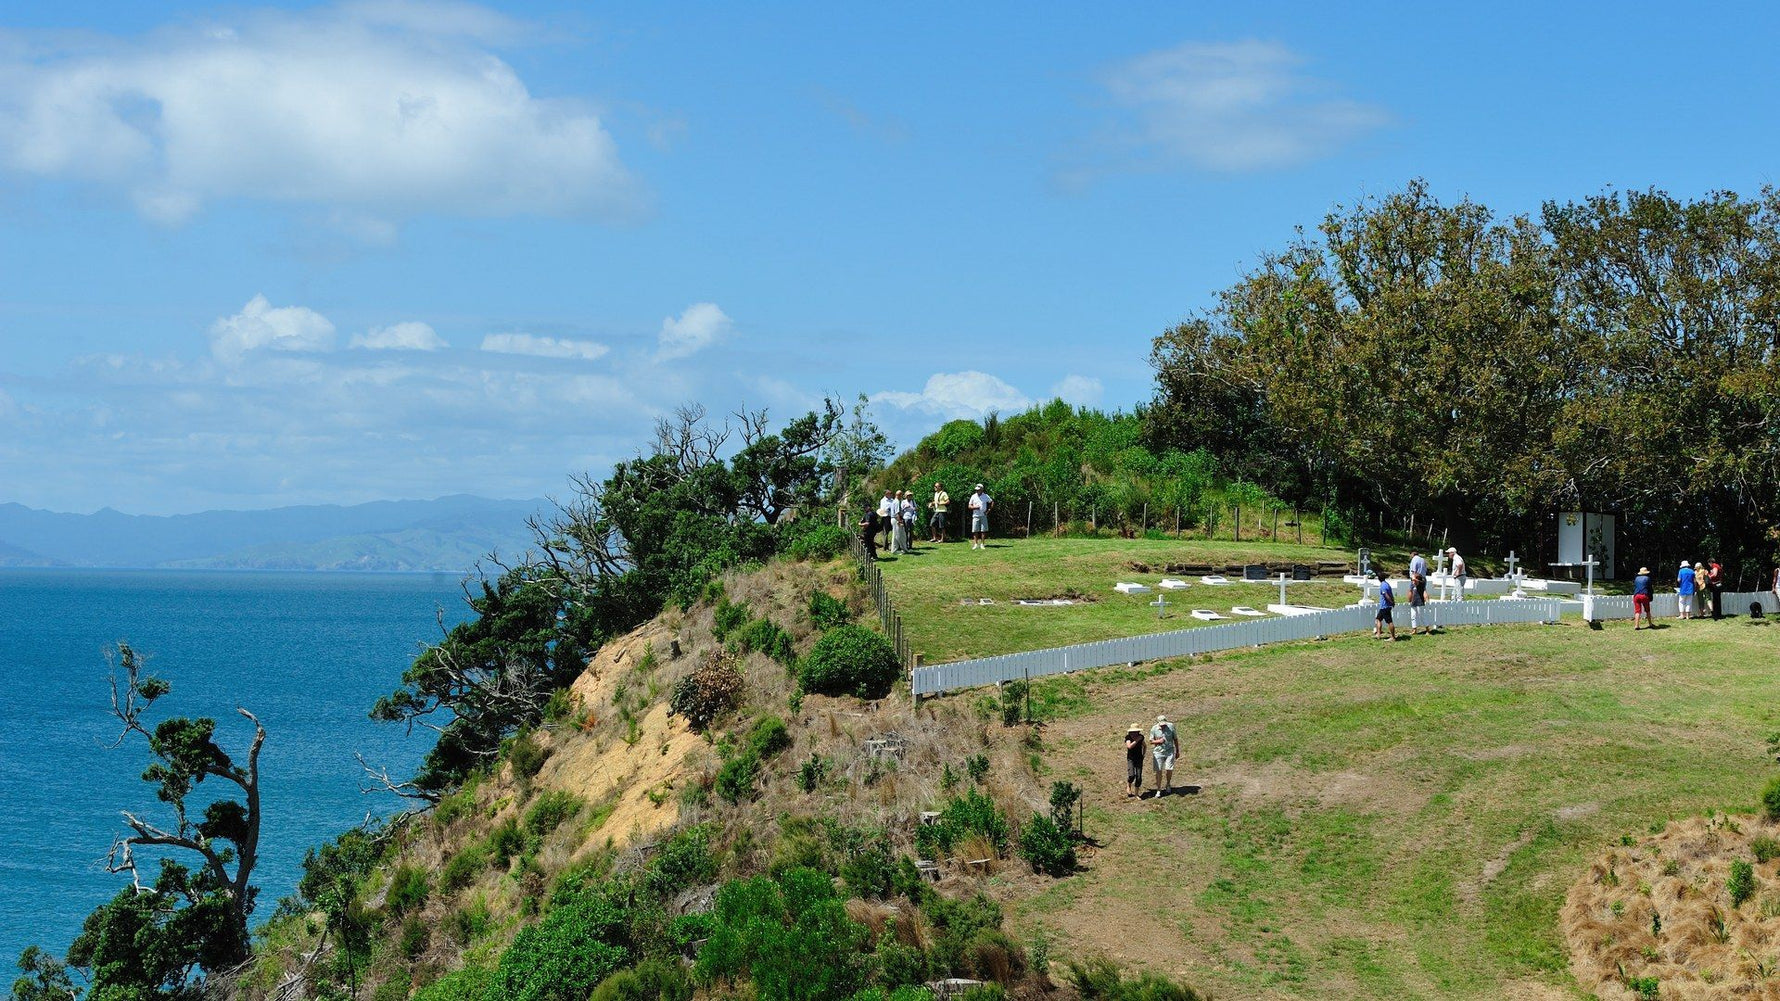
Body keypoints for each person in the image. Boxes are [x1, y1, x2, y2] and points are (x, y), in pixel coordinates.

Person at [1148, 714, 1179, 797]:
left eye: (1164, 724)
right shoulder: (1154, 728)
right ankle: (1158, 789)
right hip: (1158, 752)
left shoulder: (1171, 726)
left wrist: (1177, 751)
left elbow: (1175, 739)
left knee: (1169, 768)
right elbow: (1151, 741)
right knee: (1158, 771)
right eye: (1161, 725)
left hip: (1169, 751)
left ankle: (1168, 784)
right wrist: (1158, 741)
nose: (1163, 726)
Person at [1372, 569, 1398, 641]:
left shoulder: (1383, 586)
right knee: (1378, 619)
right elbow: (1391, 595)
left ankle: (1393, 637)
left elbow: (1386, 595)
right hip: (1384, 606)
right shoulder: (1387, 584)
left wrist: (1391, 602)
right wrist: (1393, 601)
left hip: (1385, 606)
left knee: (1389, 622)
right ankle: (1378, 634)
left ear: (1379, 578)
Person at [968, 483, 994, 550]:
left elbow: (991, 502)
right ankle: (976, 544)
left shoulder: (986, 496)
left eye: (978, 490)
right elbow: (969, 506)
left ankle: (982, 544)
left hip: (983, 515)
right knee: (975, 530)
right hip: (975, 515)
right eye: (976, 490)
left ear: (982, 489)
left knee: (983, 530)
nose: (977, 491)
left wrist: (988, 510)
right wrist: (975, 507)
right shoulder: (973, 496)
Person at [1124, 724, 1146, 798]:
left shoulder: (1141, 737)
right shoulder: (1128, 737)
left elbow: (1145, 746)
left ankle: (1136, 793)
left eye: (1135, 732)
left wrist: (1143, 754)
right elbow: (1129, 746)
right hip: (1131, 758)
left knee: (1139, 777)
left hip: (1139, 758)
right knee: (1131, 775)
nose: (1133, 734)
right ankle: (1128, 785)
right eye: (1132, 732)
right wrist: (1137, 740)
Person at [1408, 560, 1429, 635]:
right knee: (1413, 616)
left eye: (1413, 580)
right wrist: (1410, 600)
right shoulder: (1413, 585)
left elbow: (1418, 581)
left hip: (1420, 602)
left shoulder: (1421, 584)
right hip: (1414, 602)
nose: (1412, 581)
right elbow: (1410, 591)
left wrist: (1414, 577)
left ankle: (1427, 630)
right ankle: (1414, 630)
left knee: (1422, 616)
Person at [1632, 566, 1653, 630]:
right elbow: (1650, 588)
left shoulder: (1636, 579)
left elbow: (1635, 587)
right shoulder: (1647, 578)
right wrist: (1651, 596)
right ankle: (1650, 624)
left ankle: (1636, 625)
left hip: (1636, 595)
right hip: (1644, 595)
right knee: (1647, 610)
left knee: (1637, 611)